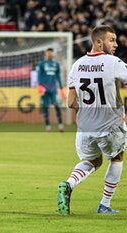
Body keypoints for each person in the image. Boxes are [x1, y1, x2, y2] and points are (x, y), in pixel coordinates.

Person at [57, 25, 126, 215]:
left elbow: (71, 102)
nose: (116, 44)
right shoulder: (113, 62)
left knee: (92, 161)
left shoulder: (76, 65)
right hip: (110, 126)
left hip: (85, 129)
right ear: (98, 41)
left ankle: (68, 183)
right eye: (111, 40)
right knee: (117, 158)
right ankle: (104, 204)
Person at [37, 48, 65, 132]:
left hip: (53, 89)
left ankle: (60, 125)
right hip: (44, 89)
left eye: (51, 53)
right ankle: (48, 126)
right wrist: (40, 86)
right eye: (48, 53)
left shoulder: (56, 64)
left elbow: (58, 76)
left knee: (57, 105)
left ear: (53, 54)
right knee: (45, 107)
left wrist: (61, 87)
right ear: (46, 54)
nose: (50, 54)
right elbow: (39, 76)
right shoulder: (41, 64)